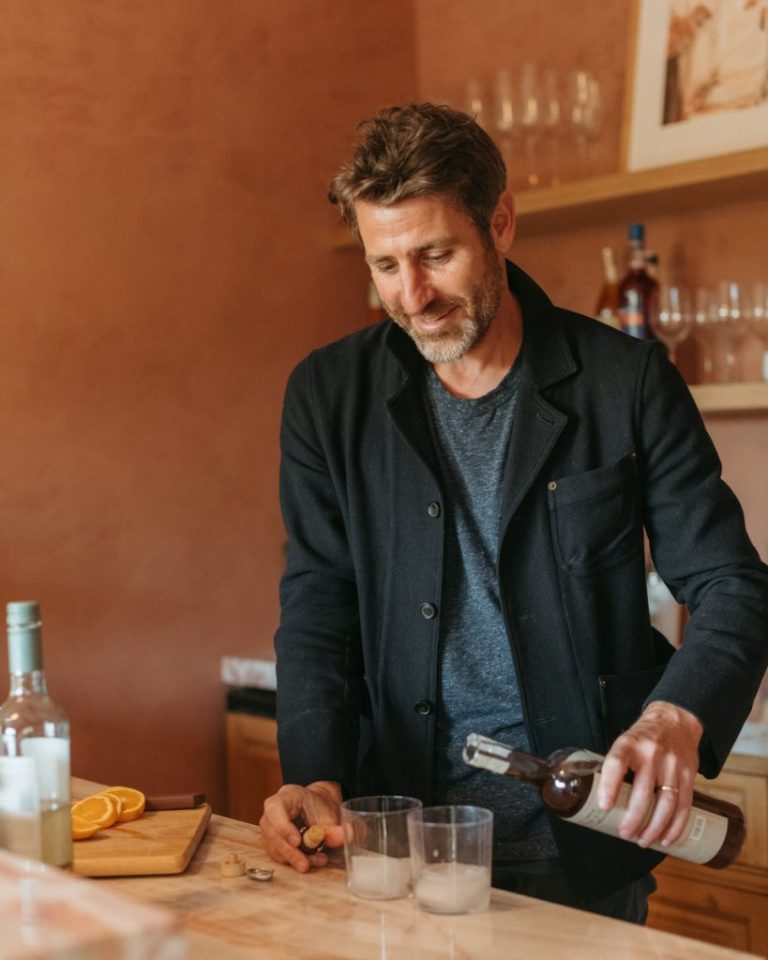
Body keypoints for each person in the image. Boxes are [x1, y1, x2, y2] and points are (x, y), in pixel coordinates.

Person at [260, 103, 768, 922]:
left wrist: (675, 717)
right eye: (385, 265)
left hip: (584, 839)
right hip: (395, 837)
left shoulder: (626, 382)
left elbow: (732, 585)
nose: (412, 295)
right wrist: (314, 772)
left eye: (435, 254)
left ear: (500, 222)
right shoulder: (327, 397)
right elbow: (320, 597)